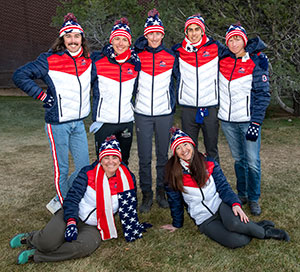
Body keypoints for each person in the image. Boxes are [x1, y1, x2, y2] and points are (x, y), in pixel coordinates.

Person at [10, 136, 151, 264]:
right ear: (100, 159)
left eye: (114, 157)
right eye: (106, 157)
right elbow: (72, 198)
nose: (110, 162)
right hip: (72, 214)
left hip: (95, 225)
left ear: (119, 159)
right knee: (47, 242)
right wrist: (71, 221)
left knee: (85, 247)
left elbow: (129, 207)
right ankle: (31, 238)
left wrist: (133, 226)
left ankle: (36, 255)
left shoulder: (127, 179)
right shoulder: (87, 172)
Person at [12, 13, 91, 214]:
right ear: (62, 39)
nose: (73, 40)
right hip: (58, 123)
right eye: (69, 36)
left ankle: (61, 197)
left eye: (77, 36)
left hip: (78, 123)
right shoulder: (49, 59)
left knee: (84, 167)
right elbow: (19, 75)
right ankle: (66, 209)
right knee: (62, 169)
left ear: (82, 38)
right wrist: (42, 96)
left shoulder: (88, 60)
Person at [161, 128, 289, 249]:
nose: (184, 150)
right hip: (204, 219)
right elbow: (175, 201)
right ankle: (253, 226)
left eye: (185, 144)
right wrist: (176, 224)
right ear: (175, 153)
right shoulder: (173, 174)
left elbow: (223, 187)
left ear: (192, 145)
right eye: (178, 148)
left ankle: (266, 232)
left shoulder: (209, 163)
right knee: (238, 241)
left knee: (235, 224)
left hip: (220, 205)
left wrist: (235, 203)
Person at [218, 23, 270, 215]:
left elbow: (263, 94)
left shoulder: (256, 61)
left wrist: (256, 122)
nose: (234, 43)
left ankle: (254, 198)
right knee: (239, 160)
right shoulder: (222, 60)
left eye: (237, 38)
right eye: (230, 39)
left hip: (248, 120)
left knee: (252, 161)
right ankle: (242, 194)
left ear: (244, 40)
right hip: (227, 120)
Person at [133, 9, 176, 213]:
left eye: (158, 33)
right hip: (142, 113)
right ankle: (146, 194)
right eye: (151, 33)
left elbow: (179, 80)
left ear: (162, 35)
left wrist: (172, 104)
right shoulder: (137, 55)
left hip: (163, 114)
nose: (154, 37)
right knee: (144, 157)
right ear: (146, 35)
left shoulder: (170, 56)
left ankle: (161, 191)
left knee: (162, 155)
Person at [172, 14, 225, 163]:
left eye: (197, 29)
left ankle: (215, 181)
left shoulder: (215, 47)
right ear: (186, 32)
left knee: (212, 149)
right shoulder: (178, 50)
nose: (193, 33)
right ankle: (192, 183)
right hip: (188, 108)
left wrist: (256, 55)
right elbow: (175, 71)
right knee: (189, 149)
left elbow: (235, 55)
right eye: (190, 30)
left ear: (203, 31)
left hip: (210, 107)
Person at [90, 17, 141, 166]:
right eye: (117, 39)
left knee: (123, 161)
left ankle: (122, 189)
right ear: (111, 41)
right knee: (103, 162)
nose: (120, 43)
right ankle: (104, 189)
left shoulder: (134, 64)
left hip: (126, 121)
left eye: (124, 40)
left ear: (129, 43)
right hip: (105, 122)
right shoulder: (98, 61)